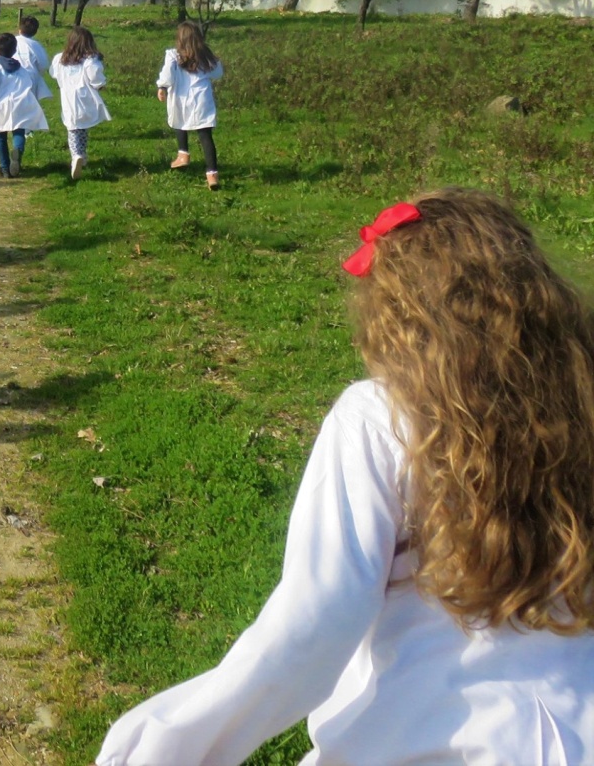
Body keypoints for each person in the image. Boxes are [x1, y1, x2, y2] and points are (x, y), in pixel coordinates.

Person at [96, 189, 594, 766]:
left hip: (425, 739)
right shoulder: (581, 409)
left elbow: (318, 619)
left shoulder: (382, 419)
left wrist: (165, 743)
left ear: (401, 312)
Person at [156, 20, 223, 190]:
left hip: (181, 97)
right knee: (205, 135)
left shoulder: (173, 55)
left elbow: (167, 74)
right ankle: (212, 175)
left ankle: (183, 154)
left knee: (180, 123)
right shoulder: (205, 56)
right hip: (202, 99)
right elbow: (218, 73)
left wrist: (162, 86)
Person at [0, 32, 48, 178]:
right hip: (20, 103)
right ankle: (17, 152)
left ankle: (5, 168)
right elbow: (27, 83)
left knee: (0, 135)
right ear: (14, 51)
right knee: (18, 132)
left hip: (1, 105)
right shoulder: (20, 68)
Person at [50, 25, 110, 180]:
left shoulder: (60, 59)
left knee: (73, 127)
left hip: (69, 98)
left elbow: (54, 75)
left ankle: (77, 154)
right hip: (85, 99)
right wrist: (101, 85)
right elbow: (96, 79)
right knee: (81, 127)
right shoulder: (90, 61)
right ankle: (80, 155)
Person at [14, 15, 53, 100]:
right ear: (35, 31)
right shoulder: (35, 45)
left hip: (11, 76)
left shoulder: (12, 41)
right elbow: (43, 64)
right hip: (30, 77)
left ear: (19, 29)